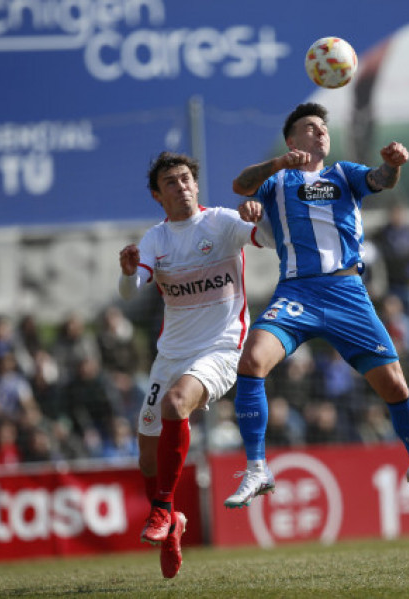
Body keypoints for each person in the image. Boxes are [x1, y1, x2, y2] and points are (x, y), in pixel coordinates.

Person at [228, 102, 409, 522]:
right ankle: (257, 469)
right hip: (297, 291)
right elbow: (241, 185)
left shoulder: (342, 174)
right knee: (252, 359)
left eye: (323, 129)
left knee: (394, 384)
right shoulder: (276, 179)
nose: (320, 134)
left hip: (347, 291)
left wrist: (393, 165)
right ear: (292, 139)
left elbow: (380, 180)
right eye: (309, 128)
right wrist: (276, 166)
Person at [117, 151, 274, 579]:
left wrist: (262, 215)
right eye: (171, 182)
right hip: (171, 354)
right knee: (147, 460)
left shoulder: (222, 222)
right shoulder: (156, 239)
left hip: (222, 348)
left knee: (175, 403)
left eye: (186, 178)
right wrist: (128, 272)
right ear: (158, 195)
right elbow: (132, 291)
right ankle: (172, 527)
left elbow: (271, 241)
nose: (181, 186)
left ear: (197, 184)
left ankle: (164, 509)